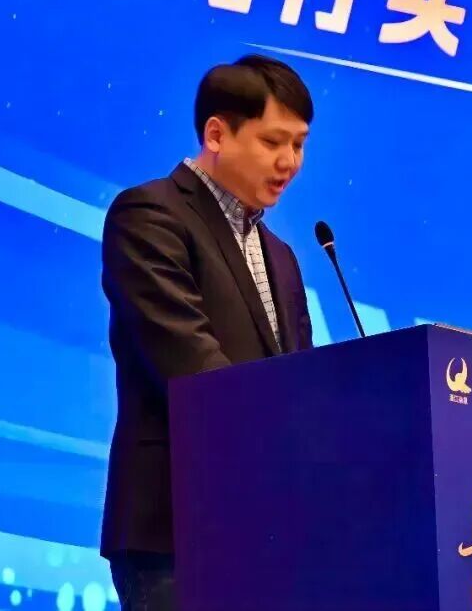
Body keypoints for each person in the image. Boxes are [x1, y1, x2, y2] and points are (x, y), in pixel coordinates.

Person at [99, 54, 315, 611]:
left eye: (299, 145)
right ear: (217, 134)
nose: (289, 162)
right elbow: (191, 366)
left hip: (266, 529)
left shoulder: (282, 256)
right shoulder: (150, 216)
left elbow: (303, 384)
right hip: (175, 527)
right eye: (273, 142)